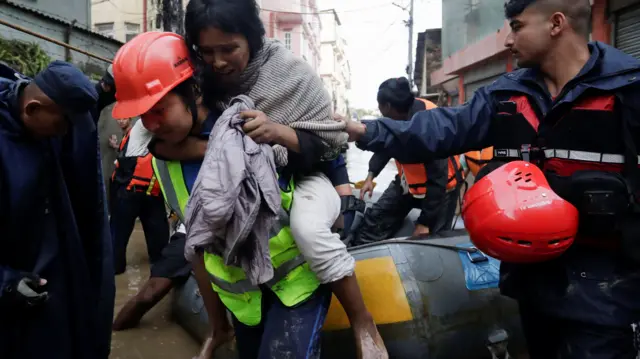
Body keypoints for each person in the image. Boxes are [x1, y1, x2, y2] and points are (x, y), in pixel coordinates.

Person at [342, 0, 640, 357]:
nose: (508, 41)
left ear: (556, 24)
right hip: (533, 283)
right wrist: (364, 130)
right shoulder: (507, 95)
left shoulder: (627, 89)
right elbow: (442, 129)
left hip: (606, 291)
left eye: (517, 27)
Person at [181, 1, 384, 357]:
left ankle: (363, 320)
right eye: (207, 51)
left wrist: (277, 132)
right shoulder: (202, 83)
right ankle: (219, 327)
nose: (218, 62)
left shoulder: (291, 74)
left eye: (229, 49)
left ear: (253, 38)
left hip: (305, 179)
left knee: (308, 229)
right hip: (247, 265)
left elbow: (330, 143)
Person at [0, 61, 114, 358]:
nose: (66, 134)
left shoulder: (44, 121)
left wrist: (105, 90)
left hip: (58, 271)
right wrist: (7, 284)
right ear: (33, 109)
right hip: (17, 290)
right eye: (62, 124)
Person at [355, 78, 460, 245]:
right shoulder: (394, 119)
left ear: (387, 106)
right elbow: (384, 148)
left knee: (432, 242)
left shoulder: (428, 121)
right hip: (409, 184)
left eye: (379, 105)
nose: (379, 109)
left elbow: (438, 176)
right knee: (375, 220)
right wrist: (370, 176)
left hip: (441, 189)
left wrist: (425, 222)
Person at [109, 117, 170, 275]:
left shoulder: (135, 134)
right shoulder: (144, 123)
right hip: (131, 190)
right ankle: (113, 270)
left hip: (151, 192)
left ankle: (160, 272)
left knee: (159, 237)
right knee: (118, 235)